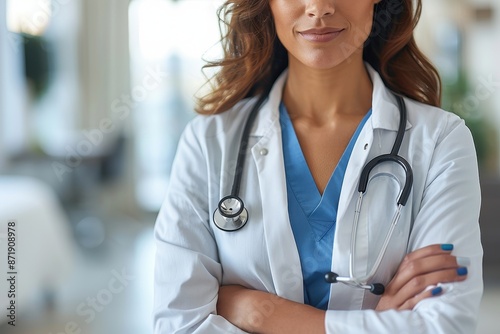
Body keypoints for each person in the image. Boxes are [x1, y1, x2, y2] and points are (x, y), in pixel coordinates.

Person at [153, 0, 483, 333]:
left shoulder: (441, 140)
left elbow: (445, 325)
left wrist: (260, 313)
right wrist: (374, 323)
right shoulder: (209, 141)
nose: (319, 8)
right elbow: (179, 324)